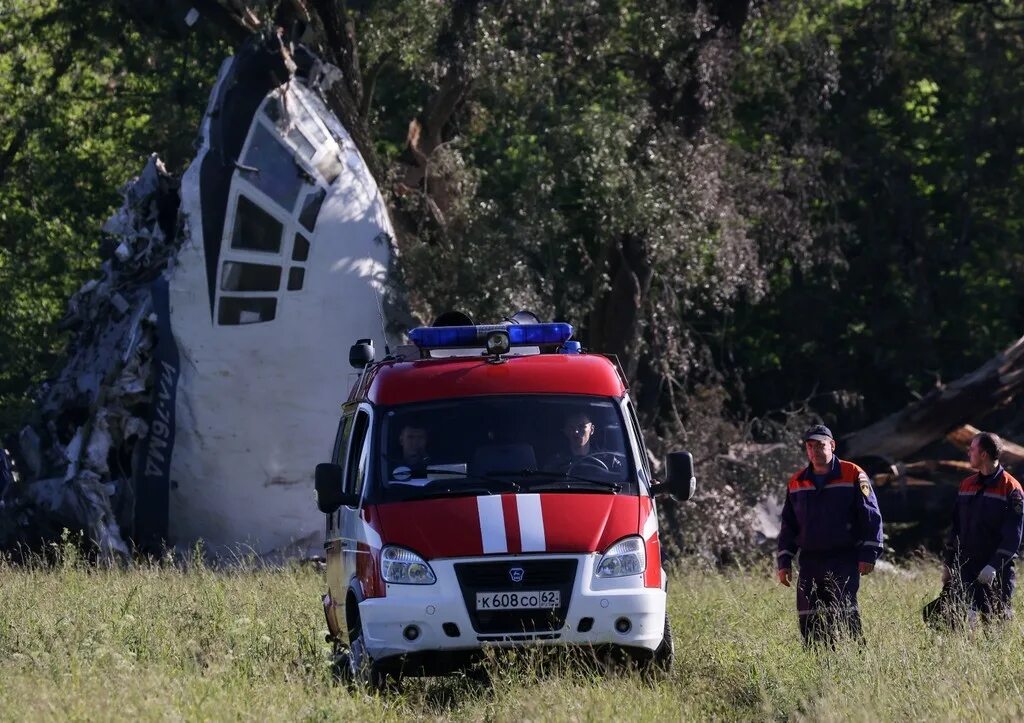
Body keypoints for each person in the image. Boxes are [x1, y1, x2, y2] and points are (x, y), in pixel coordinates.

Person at [777, 424, 884, 645]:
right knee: (810, 622)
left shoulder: (853, 473)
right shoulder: (797, 481)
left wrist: (869, 554)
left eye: (820, 445)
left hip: (843, 559)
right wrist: (784, 560)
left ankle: (855, 664)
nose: (815, 451)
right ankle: (818, 669)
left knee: (845, 616)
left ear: (832, 446)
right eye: (810, 446)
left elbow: (871, 516)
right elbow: (789, 525)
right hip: (809, 562)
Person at [939, 431, 1023, 624]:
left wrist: (994, 565)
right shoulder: (967, 485)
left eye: (972, 449)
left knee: (995, 623)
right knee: (958, 622)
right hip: (966, 566)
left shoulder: (1011, 489)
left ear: (983, 454)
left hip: (996, 570)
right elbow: (956, 528)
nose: (969, 453)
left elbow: (1013, 536)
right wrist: (949, 564)